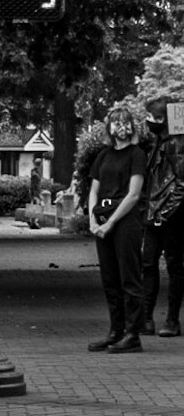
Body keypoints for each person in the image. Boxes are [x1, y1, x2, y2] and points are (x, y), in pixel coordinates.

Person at [86, 107, 145, 354]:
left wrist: (111, 223)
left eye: (126, 122)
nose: (122, 127)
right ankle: (116, 330)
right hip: (102, 218)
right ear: (109, 128)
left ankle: (133, 334)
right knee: (110, 278)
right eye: (116, 123)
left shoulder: (137, 155)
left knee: (129, 277)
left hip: (125, 221)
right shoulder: (103, 155)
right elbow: (93, 190)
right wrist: (92, 219)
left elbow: (134, 194)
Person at [141, 97, 184, 338]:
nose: (150, 121)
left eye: (155, 117)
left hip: (168, 215)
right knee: (148, 263)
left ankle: (172, 320)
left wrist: (167, 212)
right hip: (154, 211)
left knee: (173, 264)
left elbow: (181, 182)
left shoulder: (176, 143)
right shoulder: (158, 142)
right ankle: (147, 318)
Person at [28, 158, 43, 229]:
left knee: (35, 206)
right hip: (35, 192)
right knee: (36, 206)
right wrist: (36, 194)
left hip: (36, 191)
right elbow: (34, 185)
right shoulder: (35, 173)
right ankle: (33, 222)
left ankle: (32, 221)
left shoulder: (36, 171)